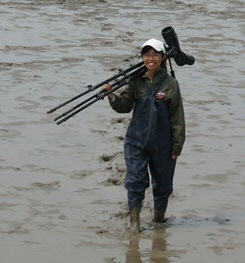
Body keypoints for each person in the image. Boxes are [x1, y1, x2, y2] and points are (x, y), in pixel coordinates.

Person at [103, 38, 185, 232]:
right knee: (135, 183)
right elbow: (125, 106)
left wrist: (176, 147)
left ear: (163, 57)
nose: (150, 58)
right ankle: (134, 225)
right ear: (142, 57)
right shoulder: (135, 81)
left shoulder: (170, 84)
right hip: (136, 142)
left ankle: (158, 221)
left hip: (163, 144)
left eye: (155, 54)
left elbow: (177, 118)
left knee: (163, 185)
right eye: (146, 54)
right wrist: (111, 96)